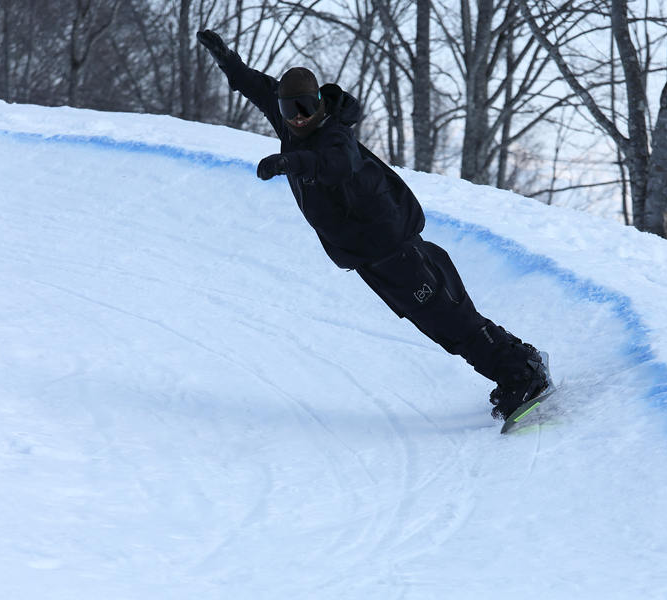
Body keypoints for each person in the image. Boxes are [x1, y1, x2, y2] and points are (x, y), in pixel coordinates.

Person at [196, 29, 552, 425]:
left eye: (305, 106)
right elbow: (259, 88)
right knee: (441, 323)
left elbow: (338, 165)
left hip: (393, 246)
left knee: (449, 319)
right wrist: (229, 63)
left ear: (319, 103)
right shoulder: (294, 129)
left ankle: (521, 374)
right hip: (372, 257)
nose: (297, 116)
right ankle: (519, 359)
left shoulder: (331, 135)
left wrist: (289, 163)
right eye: (288, 109)